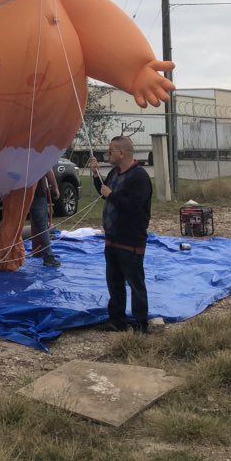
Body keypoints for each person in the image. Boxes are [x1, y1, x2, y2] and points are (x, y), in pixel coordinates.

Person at [89, 136, 152, 333]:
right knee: (114, 283)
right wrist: (95, 175)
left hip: (130, 241)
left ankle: (141, 324)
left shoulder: (139, 177)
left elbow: (133, 206)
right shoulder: (114, 173)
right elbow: (104, 192)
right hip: (112, 240)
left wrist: (111, 195)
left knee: (135, 284)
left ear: (122, 153)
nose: (108, 154)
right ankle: (117, 321)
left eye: (110, 151)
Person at [28, 169, 61, 267]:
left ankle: (8, 256)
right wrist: (55, 188)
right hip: (37, 193)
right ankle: (48, 257)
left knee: (14, 223)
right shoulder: (39, 154)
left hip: (19, 191)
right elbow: (48, 169)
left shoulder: (17, 154)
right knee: (42, 225)